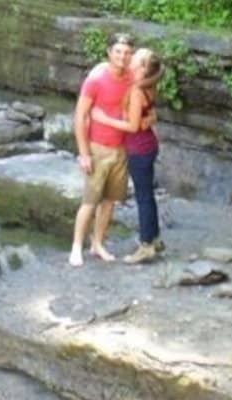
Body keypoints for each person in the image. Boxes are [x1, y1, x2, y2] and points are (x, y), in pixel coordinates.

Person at [89, 48, 164, 264]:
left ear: (143, 69)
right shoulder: (148, 86)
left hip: (139, 150)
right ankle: (155, 239)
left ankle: (146, 245)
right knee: (147, 194)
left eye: (136, 58)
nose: (130, 59)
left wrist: (103, 118)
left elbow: (132, 126)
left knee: (143, 197)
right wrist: (147, 120)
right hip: (148, 145)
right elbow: (151, 114)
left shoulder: (137, 91)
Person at [70, 33, 137, 267]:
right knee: (90, 200)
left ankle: (97, 244)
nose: (122, 56)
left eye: (127, 53)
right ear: (109, 52)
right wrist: (84, 153)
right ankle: (76, 246)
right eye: (118, 51)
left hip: (121, 148)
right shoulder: (96, 80)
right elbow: (80, 116)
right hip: (98, 147)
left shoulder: (131, 78)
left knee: (109, 201)